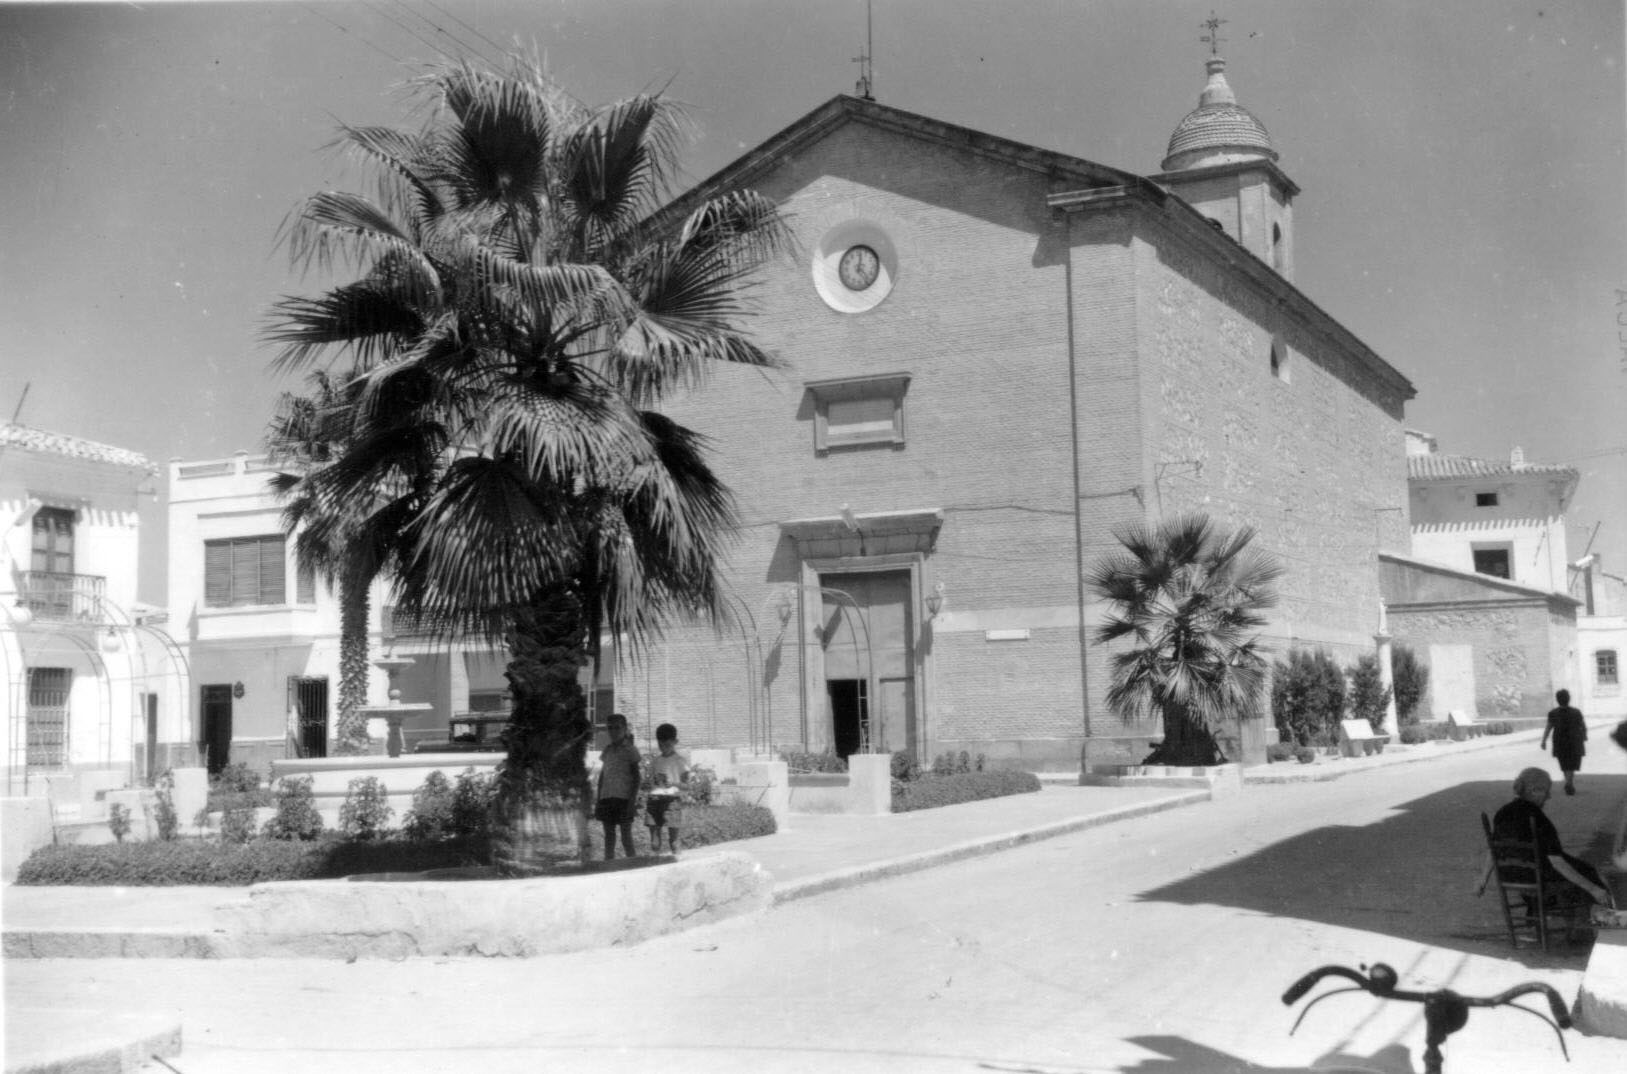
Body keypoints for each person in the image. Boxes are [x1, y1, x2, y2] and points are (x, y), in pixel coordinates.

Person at [1491, 767, 1613, 907]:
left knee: (1581, 869)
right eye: (1546, 791)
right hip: (1538, 881)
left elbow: (1493, 849)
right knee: (1587, 876)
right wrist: (1594, 889)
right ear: (1534, 790)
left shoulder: (1502, 812)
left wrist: (1481, 882)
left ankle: (1539, 909)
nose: (1548, 796)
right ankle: (1590, 919)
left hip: (1511, 877)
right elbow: (1556, 861)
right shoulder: (1537, 818)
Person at [594, 713, 640, 860]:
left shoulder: (630, 750)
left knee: (626, 836)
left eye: (617, 728)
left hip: (624, 799)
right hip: (607, 798)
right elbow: (602, 776)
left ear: (625, 729)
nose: (613, 731)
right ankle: (609, 866)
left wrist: (632, 801)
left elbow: (637, 777)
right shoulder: (607, 750)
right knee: (609, 836)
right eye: (610, 728)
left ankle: (633, 865)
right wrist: (598, 799)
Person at [645, 722, 690, 858]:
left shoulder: (680, 761)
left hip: (672, 801)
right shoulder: (655, 761)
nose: (663, 748)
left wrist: (674, 783)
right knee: (654, 841)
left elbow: (687, 785)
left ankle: (678, 864)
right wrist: (650, 783)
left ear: (675, 742)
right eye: (660, 745)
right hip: (654, 800)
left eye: (667, 745)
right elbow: (649, 783)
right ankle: (654, 866)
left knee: (674, 841)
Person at [1541, 688, 1588, 795]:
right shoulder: (1576, 712)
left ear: (1557, 700)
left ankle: (1568, 782)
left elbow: (1548, 728)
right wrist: (1584, 735)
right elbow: (1582, 725)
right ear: (1569, 699)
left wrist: (1543, 741)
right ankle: (1569, 782)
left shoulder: (1553, 713)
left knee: (1564, 763)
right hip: (1574, 741)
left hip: (1559, 741)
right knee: (1572, 764)